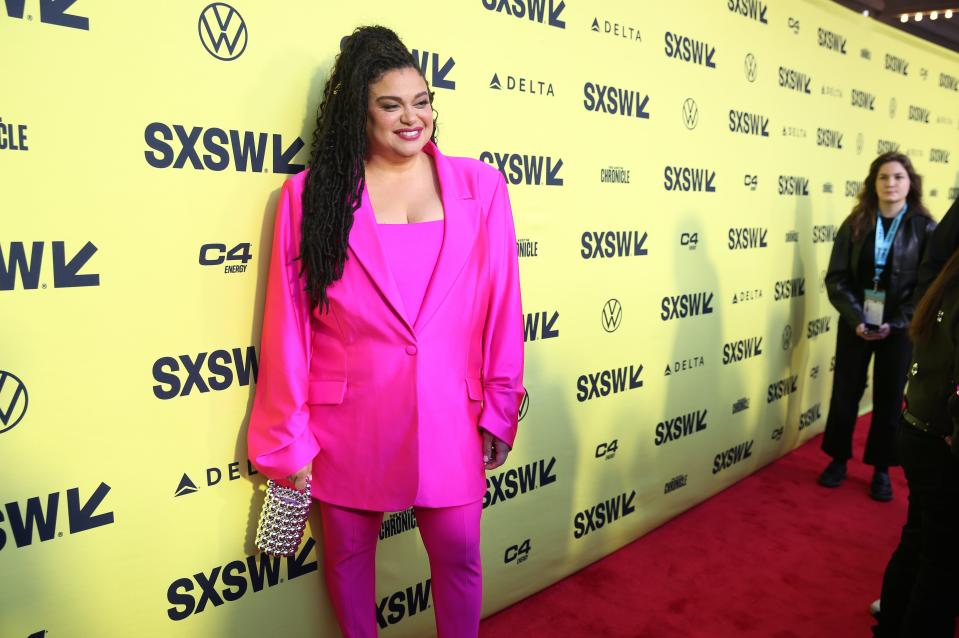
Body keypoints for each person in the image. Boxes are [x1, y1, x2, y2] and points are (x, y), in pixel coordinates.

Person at [247, 26, 524, 638]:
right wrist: (287, 440)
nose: (412, 118)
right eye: (391, 104)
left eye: (422, 101)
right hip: (346, 424)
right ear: (359, 111)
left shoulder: (482, 188)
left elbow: (504, 307)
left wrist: (500, 407)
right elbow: (288, 323)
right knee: (348, 564)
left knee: (459, 556)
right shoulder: (312, 196)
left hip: (452, 415)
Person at [820, 152, 936, 500]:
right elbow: (837, 278)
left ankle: (882, 469)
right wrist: (857, 319)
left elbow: (928, 286)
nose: (890, 184)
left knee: (889, 401)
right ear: (873, 183)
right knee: (845, 393)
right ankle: (838, 459)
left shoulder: (924, 228)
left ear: (909, 183)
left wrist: (897, 323)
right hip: (856, 324)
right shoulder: (856, 222)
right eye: (883, 177)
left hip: (900, 330)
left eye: (898, 177)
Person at [872, 248, 959, 636]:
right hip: (936, 441)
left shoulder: (947, 276)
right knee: (940, 564)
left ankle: (891, 623)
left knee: (920, 543)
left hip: (919, 431)